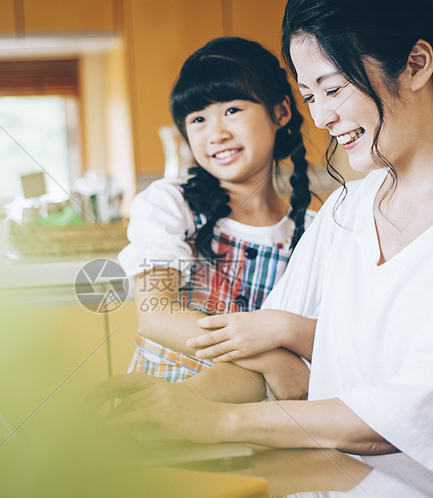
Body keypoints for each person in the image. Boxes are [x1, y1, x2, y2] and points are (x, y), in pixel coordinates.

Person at [94, 0, 433, 498]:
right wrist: (162, 412)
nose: (321, 117)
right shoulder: (348, 208)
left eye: (334, 88)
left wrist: (215, 422)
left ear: (417, 64)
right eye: (309, 97)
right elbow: (267, 364)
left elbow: (413, 415)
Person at [117, 37, 315, 387]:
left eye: (232, 111)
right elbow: (157, 314)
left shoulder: (312, 231)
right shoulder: (168, 204)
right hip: (159, 412)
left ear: (280, 112)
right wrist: (270, 359)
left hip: (250, 419)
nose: (216, 133)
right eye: (198, 119)